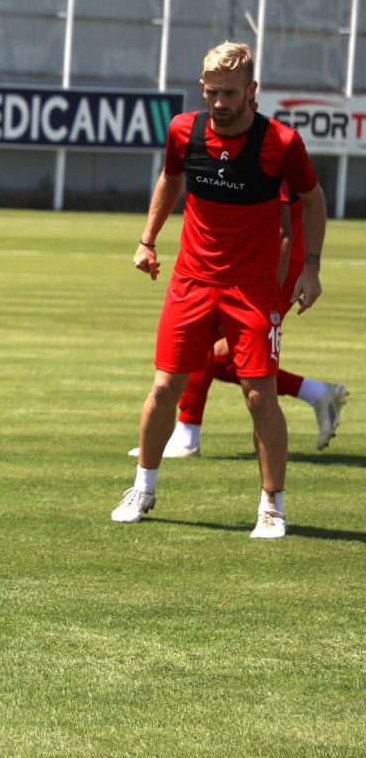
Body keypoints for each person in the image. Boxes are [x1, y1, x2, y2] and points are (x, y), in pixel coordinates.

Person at [111, 40, 327, 540]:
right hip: (190, 282)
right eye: (211, 92)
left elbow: (313, 199)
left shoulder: (281, 143)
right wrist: (147, 239)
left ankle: (271, 506)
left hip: (251, 289)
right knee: (164, 388)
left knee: (259, 398)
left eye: (229, 93)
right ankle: (142, 488)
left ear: (251, 91)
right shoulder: (182, 130)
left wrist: (311, 269)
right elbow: (171, 178)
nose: (219, 103)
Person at [130, 184, 348, 459]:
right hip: (247, 262)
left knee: (212, 347)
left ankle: (187, 435)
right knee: (213, 350)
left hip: (274, 265)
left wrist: (294, 278)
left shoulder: (270, 157)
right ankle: (317, 393)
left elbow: (290, 222)